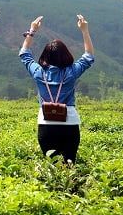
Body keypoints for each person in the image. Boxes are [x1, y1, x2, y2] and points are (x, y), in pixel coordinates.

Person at [19, 14, 95, 163]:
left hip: (46, 124)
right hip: (70, 123)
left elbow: (24, 54)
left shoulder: (38, 71)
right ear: (66, 55)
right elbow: (89, 56)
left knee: (51, 166)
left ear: (45, 56)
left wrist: (32, 30)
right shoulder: (71, 72)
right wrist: (84, 31)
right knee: (70, 164)